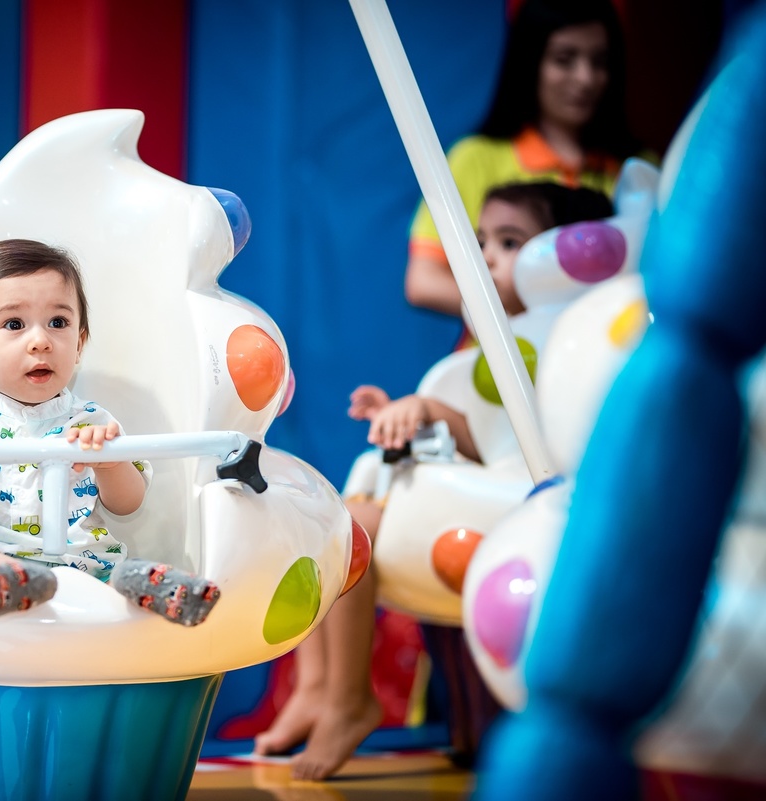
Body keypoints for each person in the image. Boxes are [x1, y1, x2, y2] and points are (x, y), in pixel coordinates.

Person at [254, 182, 614, 780]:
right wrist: (406, 414)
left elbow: (517, 449)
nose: (487, 256)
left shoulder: (564, 348)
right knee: (322, 525)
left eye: (510, 243)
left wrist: (426, 411)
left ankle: (348, 698)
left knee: (350, 531)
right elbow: (476, 432)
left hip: (524, 511)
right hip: (473, 491)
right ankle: (315, 686)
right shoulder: (490, 346)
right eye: (482, 241)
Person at [0, 238, 221, 626]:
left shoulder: (93, 421)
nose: (41, 341)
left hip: (79, 566)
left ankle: (142, 586)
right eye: (14, 325)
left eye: (58, 323)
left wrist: (110, 464)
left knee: (114, 576)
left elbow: (128, 504)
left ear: (79, 344)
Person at [406, 0, 644, 318]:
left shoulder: (639, 169)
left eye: (600, 61)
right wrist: (521, 316)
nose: (585, 78)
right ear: (530, 61)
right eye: (564, 59)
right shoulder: (475, 157)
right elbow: (423, 280)